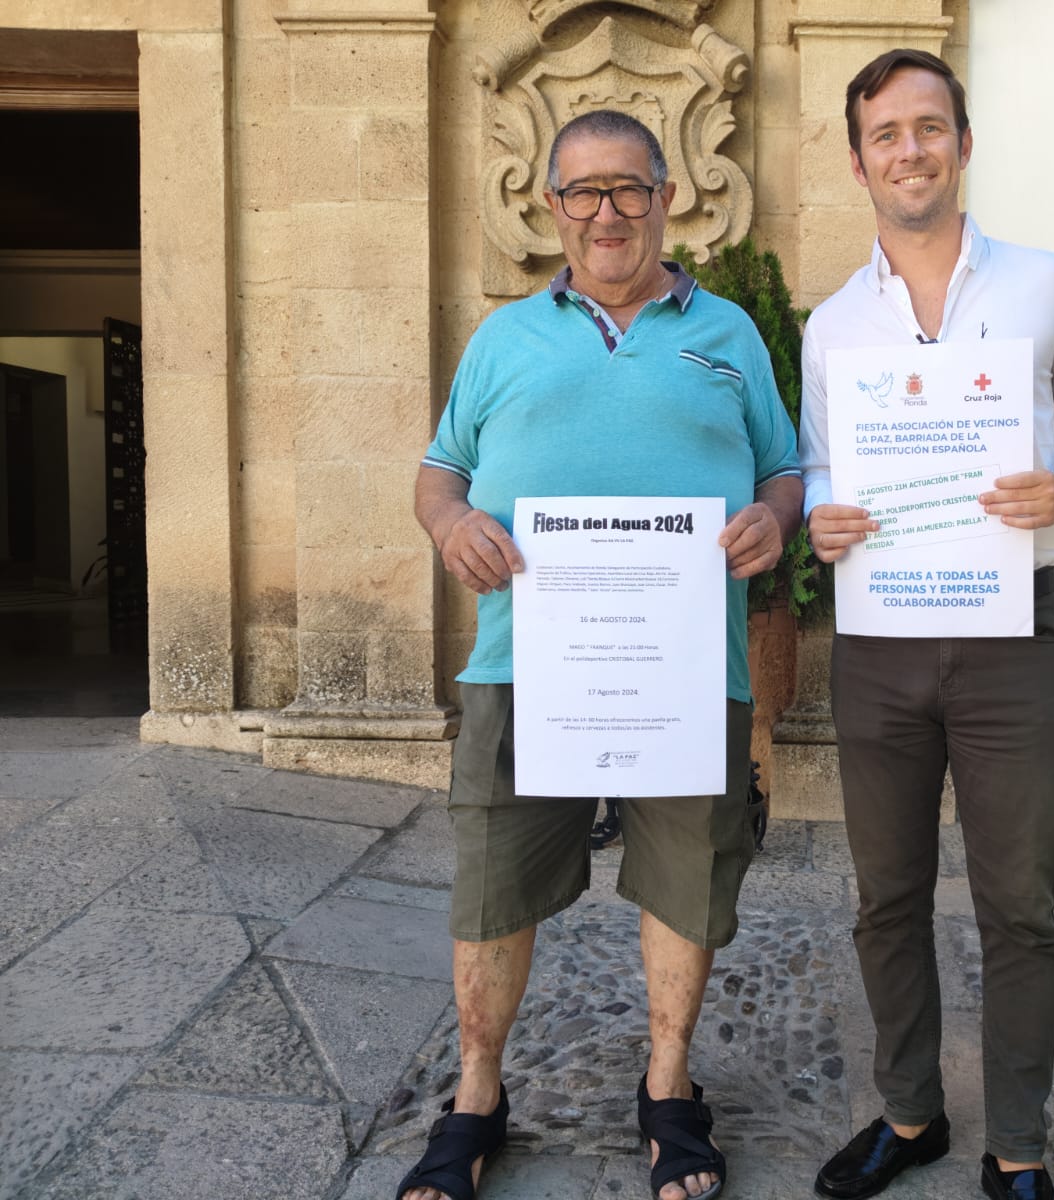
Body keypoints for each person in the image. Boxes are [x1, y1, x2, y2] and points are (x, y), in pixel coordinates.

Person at [403, 109, 802, 1200]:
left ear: (668, 197)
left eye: (628, 187)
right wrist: (451, 528)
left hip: (684, 665)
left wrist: (775, 519)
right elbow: (440, 473)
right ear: (550, 207)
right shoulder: (501, 340)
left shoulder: (727, 336)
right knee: (494, 882)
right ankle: (476, 1094)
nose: (606, 212)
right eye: (582, 191)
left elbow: (783, 470)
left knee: (686, 876)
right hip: (521, 662)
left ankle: (668, 1088)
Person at [798, 49, 1054, 1200]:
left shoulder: (1042, 283)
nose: (910, 150)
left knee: (1019, 903)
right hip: (880, 646)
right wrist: (823, 524)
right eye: (886, 133)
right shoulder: (833, 325)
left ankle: (1019, 1145)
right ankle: (907, 1116)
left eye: (929, 127)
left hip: (1010, 638)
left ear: (963, 142)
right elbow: (816, 474)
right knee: (885, 896)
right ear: (858, 160)